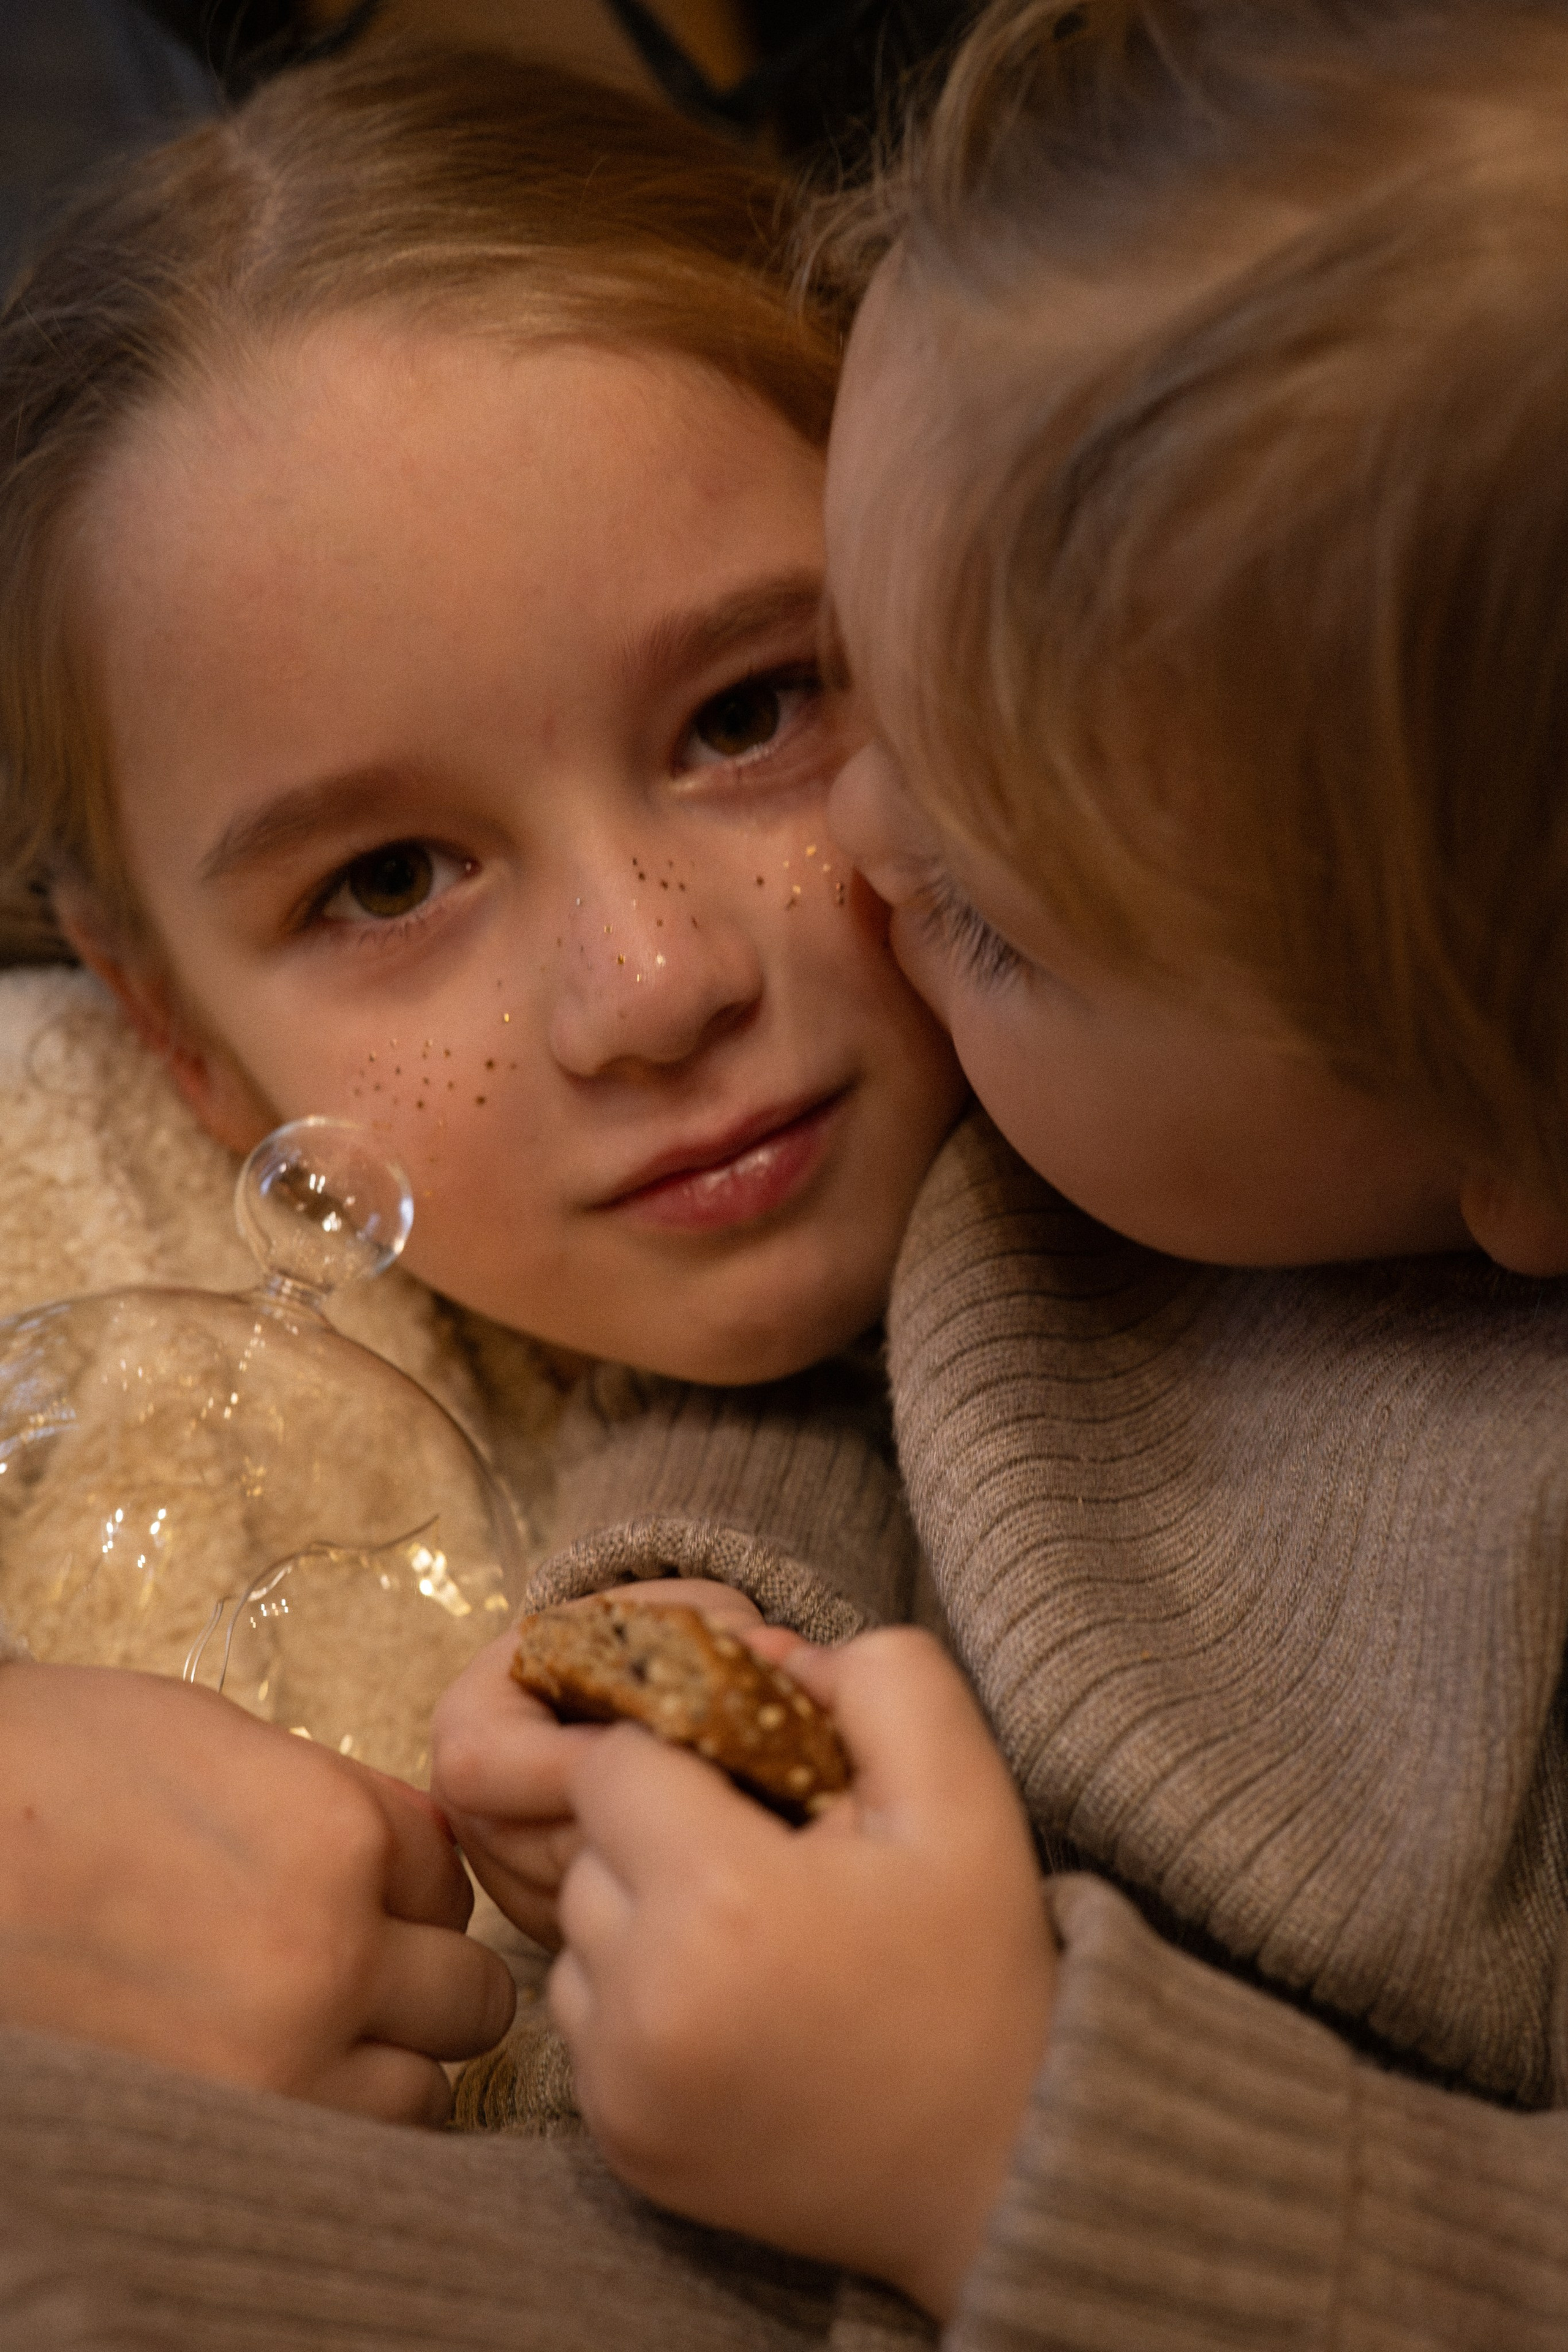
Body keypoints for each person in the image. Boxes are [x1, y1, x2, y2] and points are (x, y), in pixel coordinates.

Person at [436, 0, 1568, 2342]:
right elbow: (852, 1381)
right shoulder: (1099, 1165)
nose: (846, 866)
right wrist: (692, 1623)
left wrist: (997, 2144)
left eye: (987, 913)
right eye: (839, 694)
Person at [0, 45, 965, 2340]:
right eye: (393, 875)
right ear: (174, 1026)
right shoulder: (60, 1189)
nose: (650, 985)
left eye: (750, 714)